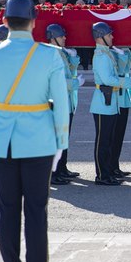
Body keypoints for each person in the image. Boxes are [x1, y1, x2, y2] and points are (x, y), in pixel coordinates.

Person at [0, 0, 69, 262]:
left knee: (7, 208)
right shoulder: (49, 55)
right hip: (40, 142)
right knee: (37, 210)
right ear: (33, 22)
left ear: (4, 21)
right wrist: (60, 143)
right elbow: (61, 106)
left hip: (3, 142)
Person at [90, 22, 131, 186]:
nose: (112, 37)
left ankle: (108, 172)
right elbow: (108, 79)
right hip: (103, 102)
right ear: (100, 37)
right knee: (103, 140)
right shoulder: (101, 56)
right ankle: (101, 175)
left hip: (109, 101)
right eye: (109, 35)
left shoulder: (106, 53)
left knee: (108, 140)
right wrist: (126, 82)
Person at [47, 24, 85, 185]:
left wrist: (73, 57)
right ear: (53, 37)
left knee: (64, 137)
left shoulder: (60, 53)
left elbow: (70, 70)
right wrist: (75, 84)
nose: (64, 38)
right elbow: (57, 81)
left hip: (65, 101)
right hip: (56, 101)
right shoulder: (50, 54)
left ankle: (62, 168)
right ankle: (54, 172)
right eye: (61, 36)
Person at [109, 44, 131, 178]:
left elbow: (128, 67)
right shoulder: (110, 53)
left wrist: (125, 52)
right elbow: (120, 70)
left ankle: (115, 165)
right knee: (113, 135)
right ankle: (110, 167)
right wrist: (122, 54)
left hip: (123, 96)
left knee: (119, 135)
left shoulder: (123, 50)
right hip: (117, 97)